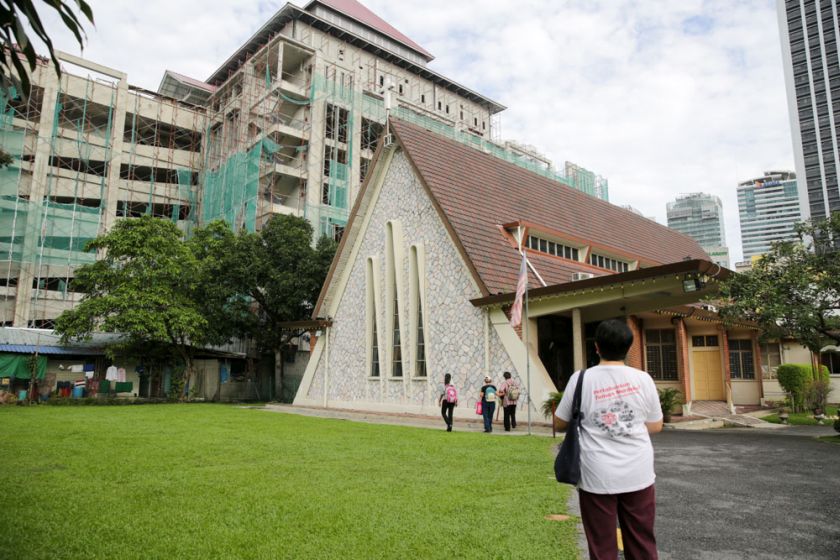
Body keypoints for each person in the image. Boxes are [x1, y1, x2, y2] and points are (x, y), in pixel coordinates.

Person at [554, 319, 663, 560]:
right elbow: (656, 425)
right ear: (629, 347)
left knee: (602, 546)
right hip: (639, 473)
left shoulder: (580, 379)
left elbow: (560, 422)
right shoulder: (643, 379)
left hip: (596, 476)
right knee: (642, 541)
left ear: (597, 347)